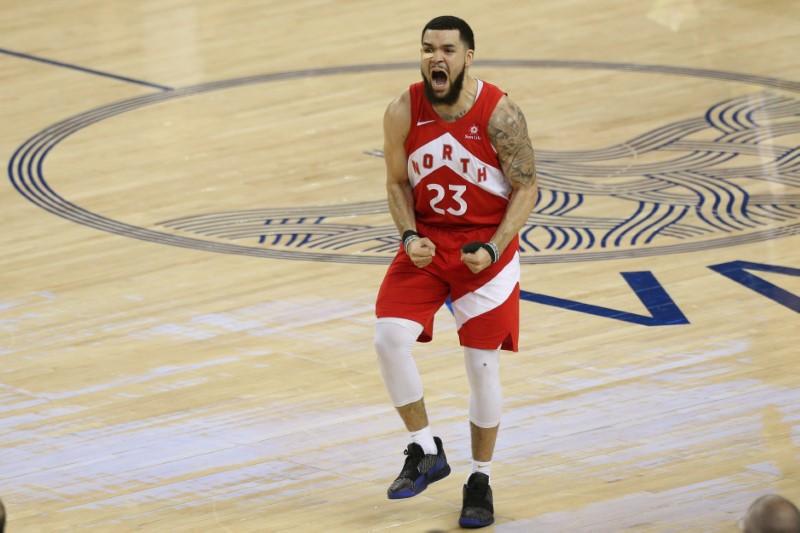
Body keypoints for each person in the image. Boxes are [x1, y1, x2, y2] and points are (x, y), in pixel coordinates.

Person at [374, 15, 537, 529]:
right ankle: (425, 449)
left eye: (446, 49)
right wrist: (408, 236)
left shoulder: (500, 113)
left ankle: (480, 480)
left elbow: (527, 187)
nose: (435, 58)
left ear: (468, 57)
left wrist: (493, 247)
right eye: (428, 49)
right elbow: (397, 183)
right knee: (388, 338)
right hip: (427, 245)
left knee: (481, 368)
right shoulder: (403, 110)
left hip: (484, 250)